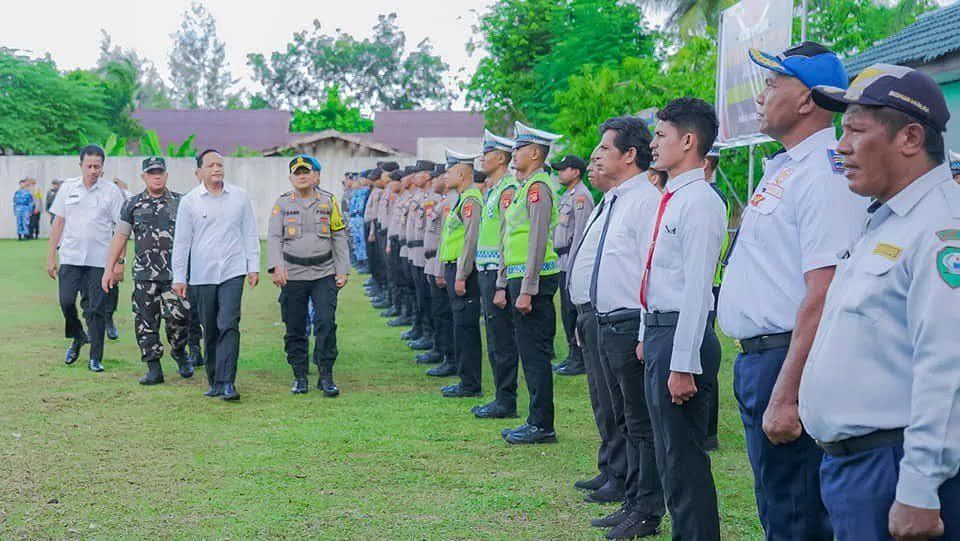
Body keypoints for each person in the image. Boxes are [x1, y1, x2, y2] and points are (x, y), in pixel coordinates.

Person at [799, 63, 960, 541]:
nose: (841, 146)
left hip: (893, 471)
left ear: (910, 138)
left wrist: (919, 488)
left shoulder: (939, 229)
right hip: (855, 469)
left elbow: (947, 369)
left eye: (855, 131)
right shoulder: (886, 220)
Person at [717, 42, 860, 540]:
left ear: (806, 100)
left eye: (773, 83)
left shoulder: (824, 173)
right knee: (778, 505)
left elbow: (823, 293)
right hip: (761, 360)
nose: (761, 96)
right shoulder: (786, 167)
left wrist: (788, 392)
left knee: (796, 513)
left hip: (786, 361)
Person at [569, 117, 666, 539]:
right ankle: (631, 497)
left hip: (629, 322)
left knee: (638, 422)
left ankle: (645, 507)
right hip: (602, 317)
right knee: (620, 415)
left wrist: (643, 329)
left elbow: (652, 270)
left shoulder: (645, 200)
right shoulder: (613, 199)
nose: (595, 156)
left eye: (604, 149)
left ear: (630, 155)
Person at [638, 98, 725, 540]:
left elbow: (697, 290)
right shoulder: (671, 197)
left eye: (661, 136)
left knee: (685, 459)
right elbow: (655, 272)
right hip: (660, 331)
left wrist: (682, 362)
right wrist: (643, 331)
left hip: (682, 336)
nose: (652, 144)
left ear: (689, 141)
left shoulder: (701, 203)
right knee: (669, 455)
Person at [172, 149, 260, 401]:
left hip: (233, 270)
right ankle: (214, 380)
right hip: (202, 274)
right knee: (210, 328)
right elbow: (182, 242)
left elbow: (250, 233)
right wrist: (179, 276)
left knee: (229, 325)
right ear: (199, 172)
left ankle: (228, 382)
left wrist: (252, 266)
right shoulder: (190, 201)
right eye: (210, 165)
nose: (216, 169)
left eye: (220, 164)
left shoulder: (240, 197)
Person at [495, 121, 562, 445]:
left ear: (535, 153)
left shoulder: (539, 187)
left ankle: (541, 424)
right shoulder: (525, 186)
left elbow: (537, 240)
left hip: (533, 280)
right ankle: (535, 419)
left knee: (535, 356)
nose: (513, 154)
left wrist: (527, 288)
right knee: (528, 353)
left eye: (518, 149)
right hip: (520, 277)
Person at [101, 157, 193, 384]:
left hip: (175, 276)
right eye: (151, 172)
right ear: (144, 176)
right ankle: (154, 368)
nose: (156, 175)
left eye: (160, 171)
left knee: (179, 319)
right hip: (144, 275)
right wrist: (109, 268)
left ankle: (180, 352)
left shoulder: (182, 203)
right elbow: (120, 236)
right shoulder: (132, 204)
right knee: (145, 322)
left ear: (166, 175)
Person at [268, 155, 349, 396]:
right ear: (291, 178)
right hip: (292, 274)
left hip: (324, 272)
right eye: (297, 172)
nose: (302, 176)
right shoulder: (282, 204)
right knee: (294, 326)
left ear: (317, 176)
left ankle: (326, 375)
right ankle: (299, 376)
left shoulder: (329, 201)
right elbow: (273, 237)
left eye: (307, 172)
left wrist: (343, 269)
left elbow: (339, 236)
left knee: (325, 322)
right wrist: (276, 266)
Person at [46, 145, 126, 372]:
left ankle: (95, 357)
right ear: (81, 165)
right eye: (89, 166)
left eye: (97, 166)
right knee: (66, 302)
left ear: (102, 167)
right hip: (71, 257)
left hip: (100, 261)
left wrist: (119, 262)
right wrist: (50, 255)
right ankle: (79, 336)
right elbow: (58, 223)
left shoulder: (111, 192)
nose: (93, 170)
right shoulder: (68, 188)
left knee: (96, 309)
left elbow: (121, 229)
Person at [472, 129, 521, 419]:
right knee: (493, 337)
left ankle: (506, 400)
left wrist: (501, 283)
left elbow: (507, 237)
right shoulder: (494, 190)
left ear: (500, 158)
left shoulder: (508, 190)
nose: (482, 158)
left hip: (497, 274)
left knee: (502, 340)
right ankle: (500, 397)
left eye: (487, 154)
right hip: (487, 271)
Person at [436, 149, 484, 398]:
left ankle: (470, 383)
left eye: (449, 171)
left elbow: (470, 240)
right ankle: (466, 379)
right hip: (454, 266)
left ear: (463, 173)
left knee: (466, 327)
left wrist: (462, 274)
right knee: (460, 325)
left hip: (464, 269)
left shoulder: (471, 200)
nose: (445, 176)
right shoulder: (462, 199)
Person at [549, 154, 593, 376]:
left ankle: (580, 357)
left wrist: (575, 265)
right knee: (566, 313)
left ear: (575, 172)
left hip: (571, 262)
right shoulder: (567, 196)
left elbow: (579, 235)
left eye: (563, 169)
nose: (559, 173)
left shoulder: (581, 198)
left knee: (573, 312)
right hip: (562, 261)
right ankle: (572, 355)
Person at [425, 165, 460, 376]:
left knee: (444, 314)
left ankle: (450, 357)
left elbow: (445, 241)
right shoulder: (444, 201)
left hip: (442, 263)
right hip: (433, 261)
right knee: (438, 312)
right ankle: (443, 351)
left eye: (446, 175)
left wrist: (438, 270)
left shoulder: (451, 204)